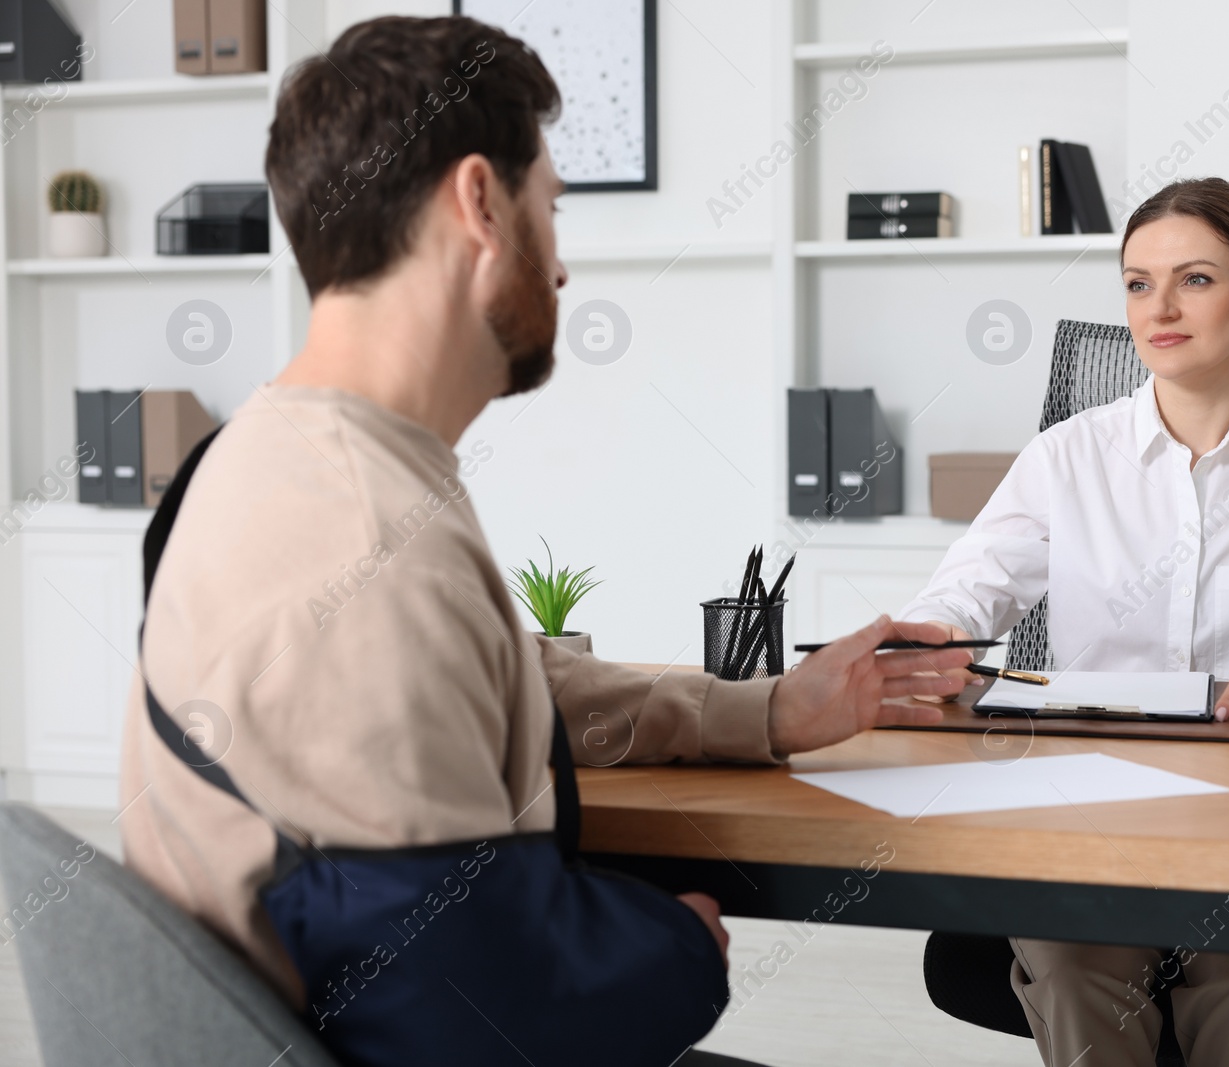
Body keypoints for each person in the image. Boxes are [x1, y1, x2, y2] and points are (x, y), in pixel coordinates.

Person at [118, 16, 968, 1067]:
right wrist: (676, 948)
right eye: (551, 209)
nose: (560, 267)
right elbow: (462, 997)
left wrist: (763, 710)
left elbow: (494, 676)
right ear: (481, 203)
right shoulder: (369, 543)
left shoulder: (284, 458)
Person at [898, 176, 1229, 1066]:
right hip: (1086, 814)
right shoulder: (1067, 456)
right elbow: (964, 596)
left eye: (1194, 279)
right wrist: (922, 644)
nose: (1160, 307)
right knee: (1074, 976)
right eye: (1138, 283)